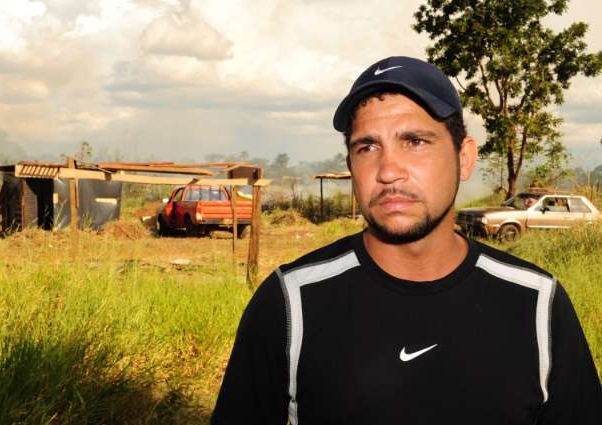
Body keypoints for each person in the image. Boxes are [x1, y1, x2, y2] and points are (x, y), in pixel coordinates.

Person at [211, 57, 602, 425]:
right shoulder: (290, 303)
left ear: (464, 158)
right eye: (367, 147)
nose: (388, 170)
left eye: (415, 141)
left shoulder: (537, 304)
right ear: (351, 165)